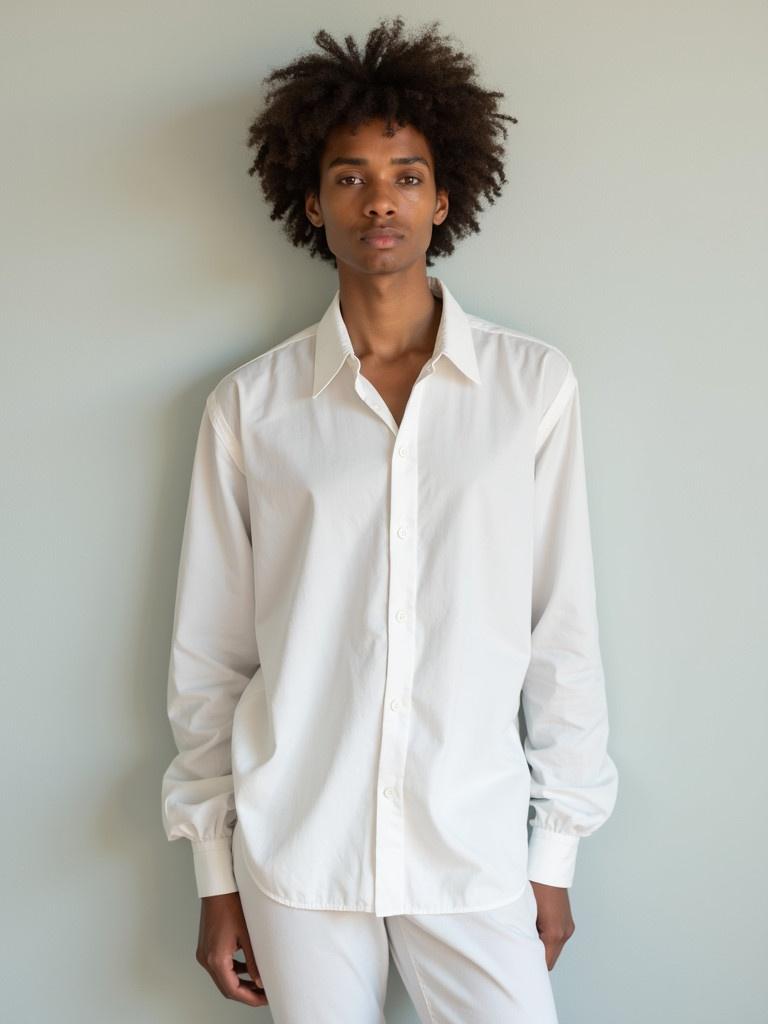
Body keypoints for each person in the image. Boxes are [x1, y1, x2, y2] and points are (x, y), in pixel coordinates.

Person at [161, 16, 619, 1022]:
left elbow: (562, 634)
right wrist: (213, 873)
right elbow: (211, 658)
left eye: (407, 175)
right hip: (299, 851)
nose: (381, 201)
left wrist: (554, 854)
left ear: (445, 194)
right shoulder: (252, 408)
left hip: (474, 845)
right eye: (352, 176)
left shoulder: (531, 388)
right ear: (312, 203)